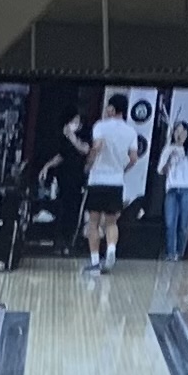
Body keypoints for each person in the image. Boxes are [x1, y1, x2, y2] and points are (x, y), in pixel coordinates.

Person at [76, 91, 142, 273]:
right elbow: (134, 158)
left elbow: (96, 147)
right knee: (112, 222)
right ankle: (111, 249)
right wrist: (122, 170)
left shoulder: (100, 126)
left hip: (98, 179)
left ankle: (95, 261)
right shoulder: (131, 132)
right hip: (116, 181)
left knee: (94, 223)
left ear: (112, 108)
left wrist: (89, 163)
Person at [159, 118, 188, 265]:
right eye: (177, 131)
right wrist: (169, 159)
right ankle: (170, 253)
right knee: (170, 222)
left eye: (182, 131)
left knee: (183, 224)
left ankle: (179, 253)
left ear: (187, 133)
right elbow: (161, 170)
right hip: (172, 189)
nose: (179, 134)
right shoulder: (168, 149)